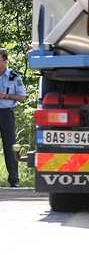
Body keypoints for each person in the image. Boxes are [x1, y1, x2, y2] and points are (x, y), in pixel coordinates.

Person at [0, 49, 26, 187]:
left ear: (5, 61)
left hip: (6, 113)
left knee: (10, 145)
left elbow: (22, 97)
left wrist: (6, 96)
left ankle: (14, 179)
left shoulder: (14, 76)